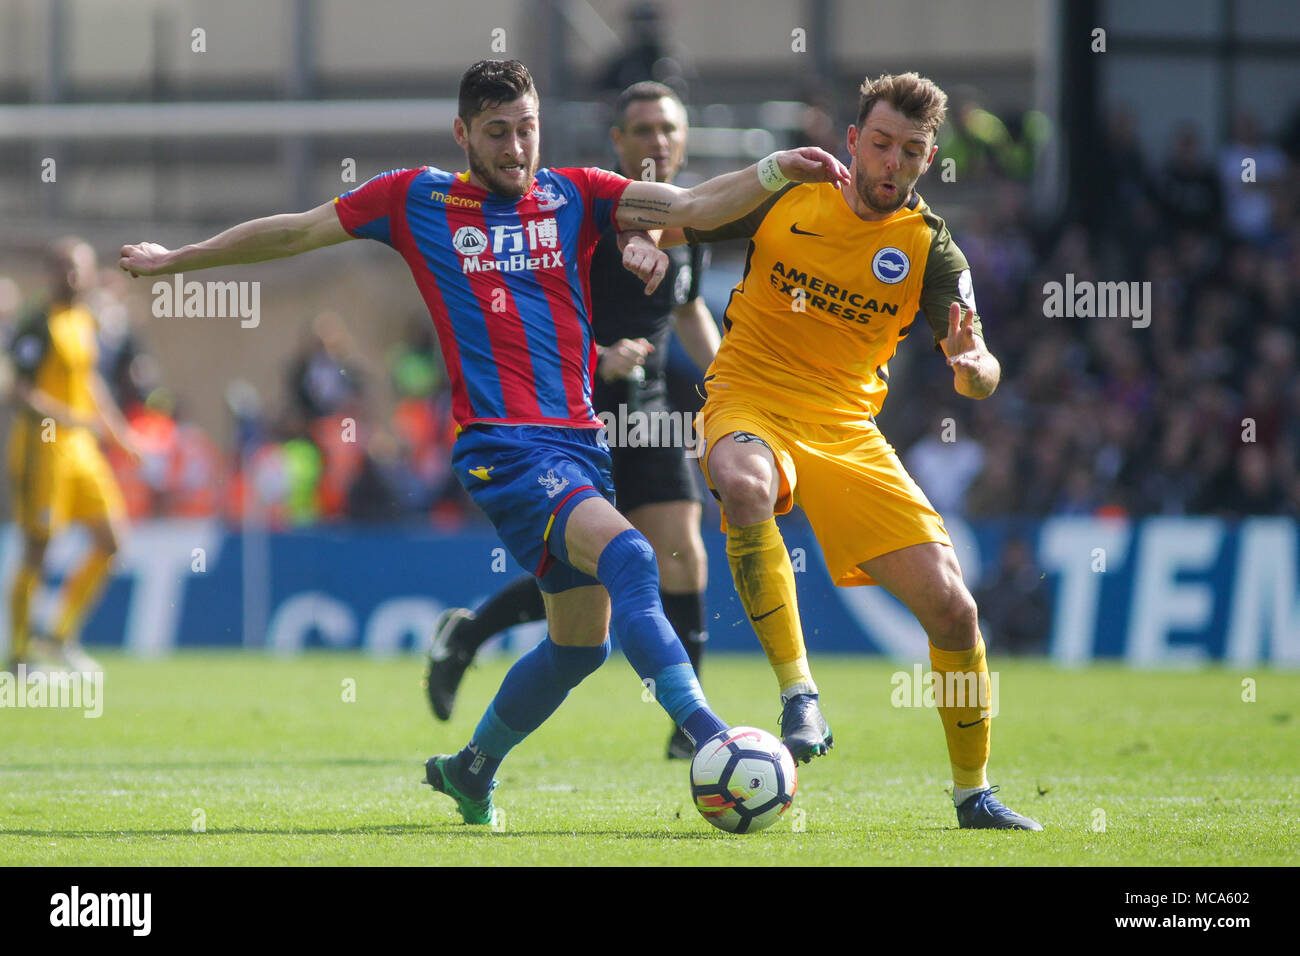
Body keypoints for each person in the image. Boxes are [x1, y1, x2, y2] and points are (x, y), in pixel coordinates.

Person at [118, 59, 849, 825]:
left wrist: (774, 169)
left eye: (526, 129)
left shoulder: (577, 193)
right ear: (462, 133)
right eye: (497, 133)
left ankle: (472, 769)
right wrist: (179, 259)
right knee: (635, 556)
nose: (515, 148)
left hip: (577, 446)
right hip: (503, 447)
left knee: (580, 645)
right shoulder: (416, 198)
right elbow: (297, 231)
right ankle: (712, 742)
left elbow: (695, 205)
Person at [671, 72, 1042, 829]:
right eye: (879, 144)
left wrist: (975, 370)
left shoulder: (931, 250)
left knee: (954, 610)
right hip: (749, 394)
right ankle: (798, 693)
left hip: (845, 427)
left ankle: (974, 793)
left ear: (929, 158)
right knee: (743, 486)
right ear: (852, 141)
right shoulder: (789, 194)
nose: (891, 163)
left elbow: (983, 368)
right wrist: (651, 254)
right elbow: (680, 220)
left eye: (910, 151)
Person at [424, 81, 720, 761]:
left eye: (668, 129)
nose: (657, 142)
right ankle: (473, 634)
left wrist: (735, 384)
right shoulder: (580, 212)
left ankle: (687, 727)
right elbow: (525, 309)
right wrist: (597, 354)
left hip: (645, 409)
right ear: (618, 142)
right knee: (604, 566)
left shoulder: (682, 223)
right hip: (563, 404)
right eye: (641, 130)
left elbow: (686, 309)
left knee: (675, 546)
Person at [6, 238, 137, 674]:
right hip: (41, 448)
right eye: (63, 268)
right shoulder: (35, 323)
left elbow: (91, 383)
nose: (72, 276)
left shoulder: (83, 319)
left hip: (82, 451)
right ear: (49, 273)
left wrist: (120, 437)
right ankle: (20, 656)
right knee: (37, 549)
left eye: (78, 268)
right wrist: (70, 418)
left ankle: (58, 635)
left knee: (112, 542)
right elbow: (18, 392)